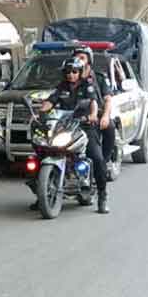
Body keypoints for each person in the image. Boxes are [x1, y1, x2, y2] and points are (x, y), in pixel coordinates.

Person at [39, 57, 109, 214]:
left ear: (80, 72)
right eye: (68, 72)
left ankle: (102, 196)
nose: (71, 75)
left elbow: (93, 102)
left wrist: (92, 115)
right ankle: (41, 192)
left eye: (74, 71)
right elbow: (50, 101)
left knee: (97, 157)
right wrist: (41, 112)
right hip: (63, 127)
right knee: (41, 150)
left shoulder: (87, 86)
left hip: (84, 126)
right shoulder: (61, 87)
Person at [72, 46, 115, 167]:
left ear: (89, 60)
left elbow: (107, 99)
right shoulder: (70, 77)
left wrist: (105, 116)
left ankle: (104, 162)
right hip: (74, 115)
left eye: (82, 58)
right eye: (76, 57)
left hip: (96, 114)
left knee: (110, 127)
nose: (78, 60)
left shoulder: (98, 77)